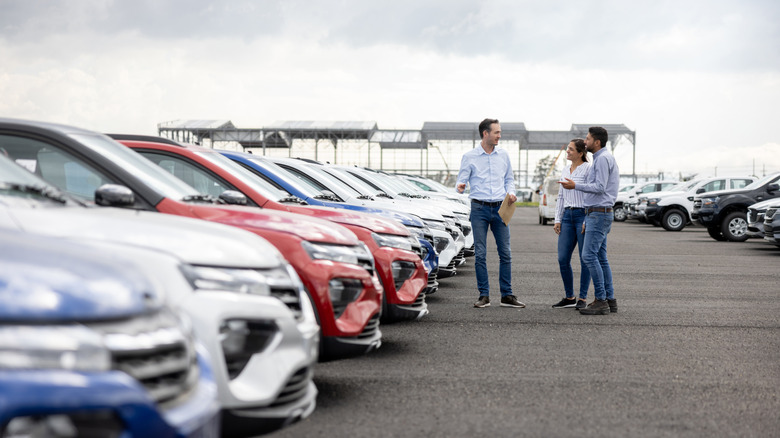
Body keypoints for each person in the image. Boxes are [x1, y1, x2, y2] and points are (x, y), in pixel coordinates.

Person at [456, 118, 522, 309]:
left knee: (505, 253)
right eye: (496, 132)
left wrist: (512, 193)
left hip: (501, 209)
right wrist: (460, 187)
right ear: (485, 133)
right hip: (479, 209)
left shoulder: (503, 155)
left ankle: (507, 295)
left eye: (500, 132)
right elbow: (461, 182)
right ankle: (484, 295)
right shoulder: (469, 157)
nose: (499, 136)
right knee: (481, 254)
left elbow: (509, 179)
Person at [559, 126, 620, 315]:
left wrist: (575, 185)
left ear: (597, 142)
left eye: (587, 139)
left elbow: (600, 187)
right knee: (601, 258)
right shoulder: (603, 158)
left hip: (599, 213)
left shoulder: (602, 159)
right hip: (598, 213)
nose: (585, 142)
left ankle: (601, 300)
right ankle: (610, 300)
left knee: (589, 257)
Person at [552, 139, 591, 310]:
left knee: (585, 259)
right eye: (567, 149)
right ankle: (570, 297)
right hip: (567, 215)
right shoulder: (565, 169)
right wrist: (557, 219)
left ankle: (582, 298)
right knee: (562, 258)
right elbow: (561, 196)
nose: (567, 152)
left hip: (582, 215)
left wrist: (587, 219)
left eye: (570, 149)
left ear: (580, 153)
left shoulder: (588, 169)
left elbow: (591, 194)